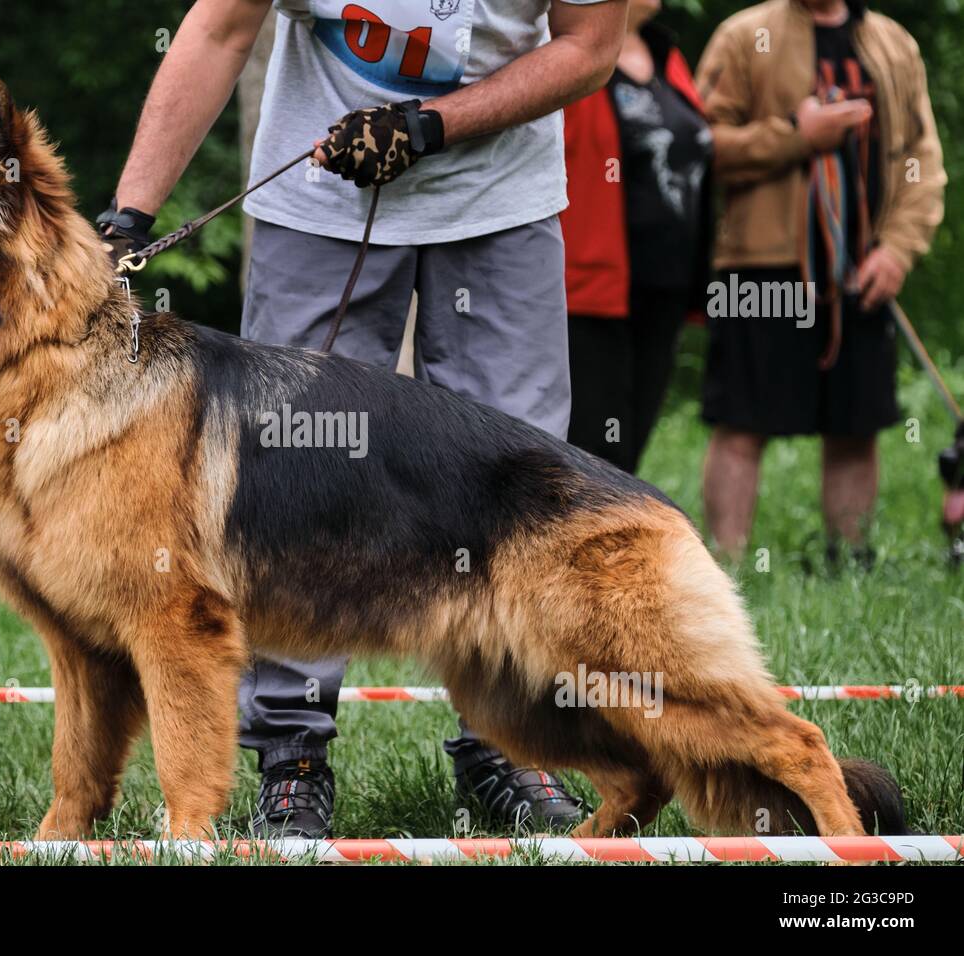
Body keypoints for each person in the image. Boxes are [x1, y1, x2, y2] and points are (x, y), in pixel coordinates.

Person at [98, 0, 627, 837]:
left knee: (521, 487)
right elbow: (218, 29)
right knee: (294, 480)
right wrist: (129, 217)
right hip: (319, 205)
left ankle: (511, 745)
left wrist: (433, 125)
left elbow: (591, 50)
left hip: (504, 200)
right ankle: (291, 756)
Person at [695, 0, 945, 561]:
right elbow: (700, 143)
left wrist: (898, 251)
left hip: (863, 268)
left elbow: (922, 160)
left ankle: (848, 561)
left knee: (856, 424)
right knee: (741, 422)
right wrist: (794, 133)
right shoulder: (745, 35)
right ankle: (726, 568)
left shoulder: (891, 42)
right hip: (758, 265)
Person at [562, 0, 712, 473]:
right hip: (592, 283)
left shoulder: (668, 55)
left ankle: (628, 540)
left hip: (665, 280)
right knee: (593, 446)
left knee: (633, 439)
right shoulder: (572, 53)